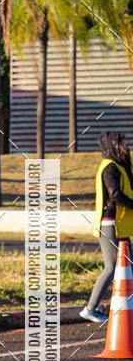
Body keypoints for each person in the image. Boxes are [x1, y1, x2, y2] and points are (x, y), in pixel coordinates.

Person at [80, 131, 133, 322]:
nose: (126, 148)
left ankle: (124, 309)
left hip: (121, 226)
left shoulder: (119, 166)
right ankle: (90, 308)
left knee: (128, 267)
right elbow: (115, 195)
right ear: (112, 146)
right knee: (112, 267)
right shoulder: (109, 167)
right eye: (122, 144)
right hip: (110, 224)